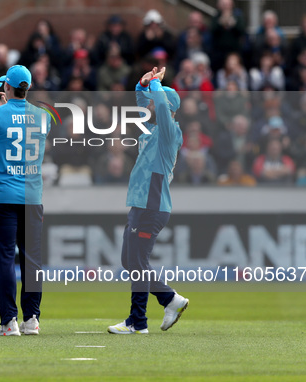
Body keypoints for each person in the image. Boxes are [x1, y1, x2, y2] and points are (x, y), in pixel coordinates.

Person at [108, 66, 189, 335]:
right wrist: (143, 85)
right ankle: (169, 299)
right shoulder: (155, 128)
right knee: (130, 261)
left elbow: (162, 110)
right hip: (143, 205)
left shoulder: (169, 132)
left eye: (156, 102)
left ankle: (137, 322)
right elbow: (145, 104)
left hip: (151, 206)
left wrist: (156, 85)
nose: (151, 106)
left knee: (138, 263)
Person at [0, 65, 50, 336]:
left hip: (3, 196)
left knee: (5, 260)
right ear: (27, 88)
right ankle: (32, 319)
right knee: (33, 260)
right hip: (32, 196)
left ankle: (9, 321)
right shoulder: (43, 116)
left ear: (7, 87)